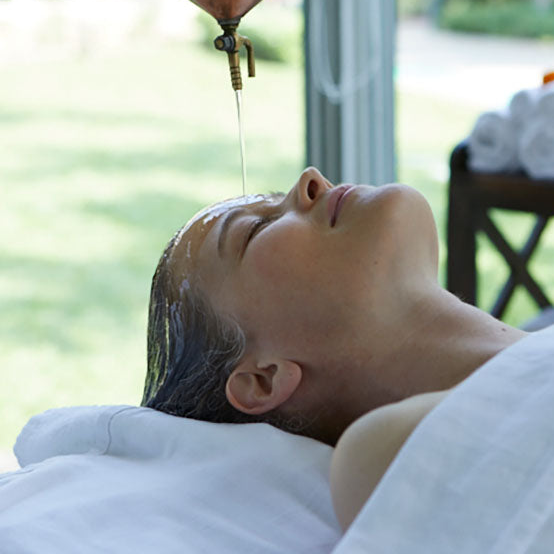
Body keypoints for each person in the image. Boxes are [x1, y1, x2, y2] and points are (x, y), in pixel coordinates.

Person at [142, 166, 526, 450]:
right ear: (263, 379)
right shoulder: (375, 461)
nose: (311, 179)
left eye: (276, 198)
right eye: (256, 229)